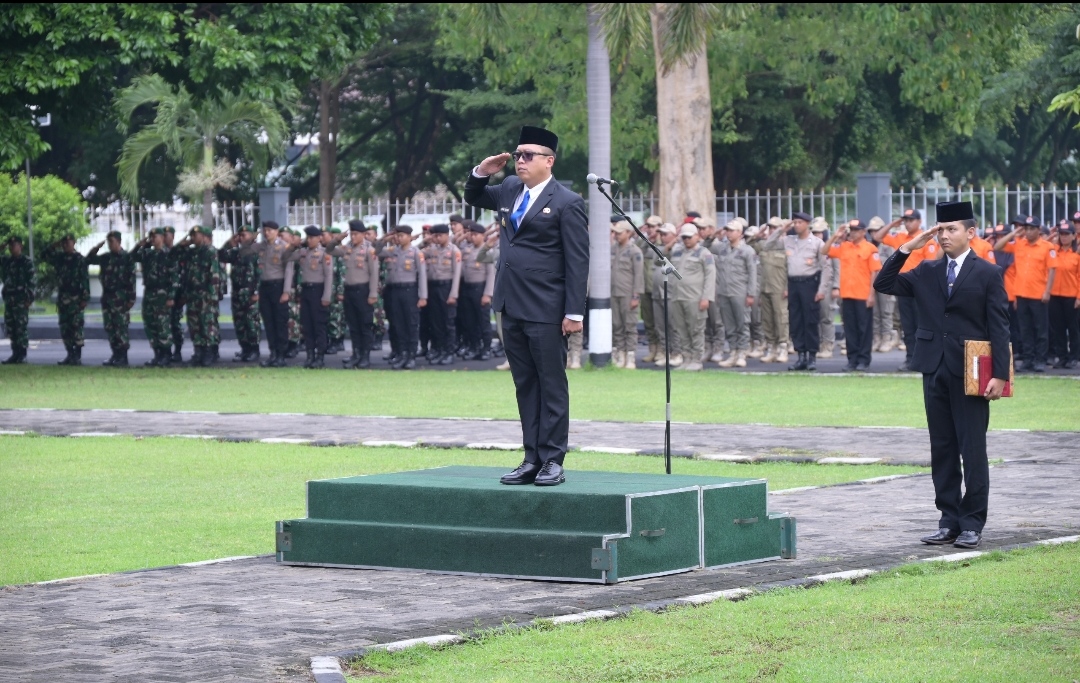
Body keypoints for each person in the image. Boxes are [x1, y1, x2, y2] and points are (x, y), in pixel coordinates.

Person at [874, 200, 1009, 549]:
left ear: (971, 232)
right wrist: (908, 247)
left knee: (972, 448)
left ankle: (972, 522)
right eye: (941, 230)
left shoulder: (987, 273)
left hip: (972, 370)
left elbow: (999, 328)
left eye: (952, 229)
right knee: (943, 448)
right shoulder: (926, 271)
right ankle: (948, 520)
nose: (945, 235)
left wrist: (1001, 375)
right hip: (934, 366)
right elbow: (883, 283)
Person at [464, 125, 588, 486]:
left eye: (528, 155)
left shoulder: (567, 202)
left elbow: (578, 260)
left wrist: (574, 312)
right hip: (511, 304)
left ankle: (553, 459)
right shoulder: (509, 189)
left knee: (551, 383)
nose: (520, 160)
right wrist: (482, 172)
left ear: (548, 161)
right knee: (525, 385)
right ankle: (531, 457)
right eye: (517, 155)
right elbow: (474, 197)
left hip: (547, 308)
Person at [872, 209, 942, 371]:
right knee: (907, 326)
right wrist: (894, 223)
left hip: (921, 289)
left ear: (919, 221)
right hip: (903, 287)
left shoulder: (927, 240)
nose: (908, 223)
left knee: (921, 326)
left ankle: (923, 359)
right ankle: (910, 358)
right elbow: (878, 237)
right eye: (906, 220)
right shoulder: (901, 238)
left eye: (911, 220)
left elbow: (931, 266)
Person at [761, 211, 826, 370]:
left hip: (810, 283)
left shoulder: (817, 243)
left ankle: (811, 356)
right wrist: (782, 229)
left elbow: (826, 268)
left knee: (810, 321)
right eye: (794, 222)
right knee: (796, 321)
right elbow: (768, 245)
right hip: (793, 284)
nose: (796, 225)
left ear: (807, 224)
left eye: (799, 223)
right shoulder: (789, 240)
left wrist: (822, 289)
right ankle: (801, 355)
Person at [993, 216, 1057, 372]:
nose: (1028, 232)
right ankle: (1028, 359)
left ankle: (1040, 360)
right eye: (1026, 228)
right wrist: (1015, 232)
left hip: (1038, 295)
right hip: (1021, 294)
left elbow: (1052, 270)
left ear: (1038, 230)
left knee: (1040, 329)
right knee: (1025, 329)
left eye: (1032, 228)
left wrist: (1047, 292)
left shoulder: (1047, 247)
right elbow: (998, 246)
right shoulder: (1019, 245)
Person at [823, 219, 882, 371]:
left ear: (863, 232)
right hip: (847, 294)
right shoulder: (844, 247)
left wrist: (871, 295)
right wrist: (836, 235)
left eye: (856, 230)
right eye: (851, 230)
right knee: (849, 329)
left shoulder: (870, 249)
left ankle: (863, 360)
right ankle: (852, 360)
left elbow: (874, 272)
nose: (853, 233)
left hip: (863, 295)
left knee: (864, 329)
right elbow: (824, 250)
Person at [328, 220, 380, 369]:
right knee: (353, 325)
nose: (353, 237)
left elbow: (374, 273)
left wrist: (372, 294)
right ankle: (356, 354)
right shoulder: (347, 248)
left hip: (363, 290)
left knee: (365, 325)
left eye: (356, 234)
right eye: (352, 234)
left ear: (363, 235)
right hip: (349, 291)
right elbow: (329, 250)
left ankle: (365, 356)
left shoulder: (369, 250)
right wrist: (337, 239)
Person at [378, 225, 428, 369]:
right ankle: (401, 354)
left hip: (409, 290)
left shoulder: (415, 253)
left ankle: (411, 355)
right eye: (397, 236)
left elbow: (422, 275)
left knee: (410, 324)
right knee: (397, 324)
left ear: (409, 237)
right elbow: (375, 251)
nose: (399, 238)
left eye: (402, 236)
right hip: (394, 291)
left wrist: (423, 296)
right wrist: (384, 239)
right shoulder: (392, 251)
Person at [284, 226, 334, 369]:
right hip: (305, 290)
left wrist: (326, 296)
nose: (309, 240)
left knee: (319, 325)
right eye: (308, 237)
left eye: (312, 237)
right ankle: (310, 355)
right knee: (307, 325)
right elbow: (286, 258)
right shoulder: (303, 252)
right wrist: (292, 246)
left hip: (318, 291)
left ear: (319, 238)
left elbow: (329, 276)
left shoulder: (325, 253)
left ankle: (320, 356)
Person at [669, 223, 716, 372]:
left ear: (697, 236)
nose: (687, 240)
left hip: (694, 297)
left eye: (689, 237)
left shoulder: (704, 253)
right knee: (681, 329)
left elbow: (710, 276)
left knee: (696, 329)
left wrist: (706, 297)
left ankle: (696, 360)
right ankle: (686, 358)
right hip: (678, 296)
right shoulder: (677, 251)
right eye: (684, 237)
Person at [711, 219, 757, 368]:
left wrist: (751, 294)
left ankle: (742, 352)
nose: (728, 233)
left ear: (740, 233)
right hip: (724, 291)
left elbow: (752, 273)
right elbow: (705, 247)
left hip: (740, 291)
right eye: (727, 230)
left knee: (742, 323)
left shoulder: (747, 251)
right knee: (729, 325)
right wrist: (714, 236)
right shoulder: (722, 248)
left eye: (731, 231)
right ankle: (733, 352)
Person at [174, 226, 223, 367]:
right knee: (194, 324)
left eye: (195, 235)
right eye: (191, 236)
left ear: (203, 236)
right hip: (192, 294)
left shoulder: (210, 251)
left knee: (207, 323)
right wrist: (181, 245)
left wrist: (212, 295)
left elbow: (214, 274)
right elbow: (173, 256)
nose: (193, 238)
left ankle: (208, 352)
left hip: (205, 294)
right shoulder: (191, 252)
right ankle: (198, 352)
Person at [86, 231, 137, 367]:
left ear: (119, 242)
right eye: (108, 242)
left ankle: (123, 357)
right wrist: (97, 247)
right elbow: (89, 259)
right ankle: (115, 355)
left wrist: (131, 298)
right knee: (110, 327)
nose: (109, 245)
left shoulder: (127, 258)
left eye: (112, 242)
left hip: (121, 297)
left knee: (121, 327)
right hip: (107, 297)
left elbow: (131, 280)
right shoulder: (106, 257)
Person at [131, 228, 178, 367]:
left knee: (162, 325)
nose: (152, 239)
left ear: (162, 238)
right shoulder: (148, 254)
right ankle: (157, 354)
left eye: (155, 236)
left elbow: (174, 277)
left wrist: (171, 296)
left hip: (162, 293)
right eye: (150, 237)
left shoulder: (169, 255)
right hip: (150, 293)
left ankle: (166, 354)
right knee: (150, 324)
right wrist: (141, 245)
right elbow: (132, 256)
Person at [42, 234, 90, 366]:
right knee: (65, 327)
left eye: (68, 242)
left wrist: (85, 298)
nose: (66, 245)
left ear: (74, 243)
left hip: (76, 298)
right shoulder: (60, 258)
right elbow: (44, 255)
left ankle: (77, 356)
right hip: (63, 298)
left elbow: (84, 279)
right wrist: (53, 246)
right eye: (64, 243)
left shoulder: (79, 259)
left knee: (76, 326)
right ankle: (70, 354)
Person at [749, 217, 790, 364]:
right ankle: (771, 346)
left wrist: (787, 288)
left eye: (775, 228)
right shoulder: (765, 245)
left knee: (781, 318)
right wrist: (757, 235)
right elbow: (749, 245)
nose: (772, 230)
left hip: (779, 288)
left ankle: (783, 346)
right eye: (770, 227)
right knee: (767, 319)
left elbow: (790, 269)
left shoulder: (787, 245)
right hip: (765, 287)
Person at [219, 225, 262, 363]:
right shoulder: (237, 252)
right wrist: (230, 243)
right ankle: (245, 349)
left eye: (244, 235)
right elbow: (221, 255)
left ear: (252, 235)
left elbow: (260, 274)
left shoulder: (258, 252)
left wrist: (256, 292)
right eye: (240, 235)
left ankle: (254, 350)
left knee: (251, 322)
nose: (242, 237)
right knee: (239, 322)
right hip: (237, 293)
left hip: (250, 292)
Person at [421, 223, 462, 365]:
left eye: (439, 235)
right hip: (433, 288)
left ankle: (449, 352)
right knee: (435, 322)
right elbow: (416, 252)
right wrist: (426, 240)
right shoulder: (431, 249)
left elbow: (457, 274)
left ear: (447, 235)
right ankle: (439, 350)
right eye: (435, 235)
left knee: (448, 323)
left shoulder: (454, 251)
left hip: (447, 287)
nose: (437, 238)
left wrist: (453, 294)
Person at [458, 221, 496, 361]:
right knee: (470, 321)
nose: (472, 237)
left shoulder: (487, 252)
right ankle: (474, 347)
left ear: (482, 236)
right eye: (471, 234)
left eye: (475, 235)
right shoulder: (468, 251)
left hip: (480, 289)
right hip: (467, 288)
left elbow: (490, 274)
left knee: (483, 321)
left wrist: (487, 294)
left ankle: (486, 348)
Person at [610, 220, 645, 369]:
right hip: (614, 293)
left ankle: (630, 356)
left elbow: (638, 275)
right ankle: (620, 354)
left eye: (620, 232)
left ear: (629, 233)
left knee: (629, 326)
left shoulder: (634, 251)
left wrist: (636, 295)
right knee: (616, 325)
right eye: (615, 232)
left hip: (628, 293)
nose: (616, 235)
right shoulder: (613, 249)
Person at [1048, 223, 1079, 369]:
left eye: (1067, 234)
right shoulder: (1054, 251)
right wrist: (1051, 235)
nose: (1064, 237)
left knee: (1073, 328)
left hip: (1071, 296)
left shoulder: (1077, 255)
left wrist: (1079, 296)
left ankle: (1074, 357)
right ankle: (1062, 356)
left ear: (1074, 236)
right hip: (1055, 295)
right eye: (1062, 234)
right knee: (1058, 328)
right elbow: (1043, 245)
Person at [651, 223, 682, 367]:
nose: (662, 237)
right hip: (658, 293)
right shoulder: (660, 248)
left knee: (673, 325)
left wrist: (670, 248)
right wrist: (666, 248)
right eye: (661, 234)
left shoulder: (679, 249)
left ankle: (676, 352)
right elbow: (656, 261)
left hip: (670, 293)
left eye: (665, 234)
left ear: (673, 235)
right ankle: (666, 352)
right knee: (660, 325)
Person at [0, 236, 34, 364]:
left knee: (20, 327)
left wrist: (29, 298)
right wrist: (1, 247)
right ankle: (15, 353)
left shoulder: (26, 262)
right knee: (11, 327)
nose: (11, 247)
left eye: (14, 245)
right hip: (10, 298)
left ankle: (22, 354)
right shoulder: (7, 261)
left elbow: (31, 281)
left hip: (21, 299)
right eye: (10, 245)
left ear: (20, 246)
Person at [809, 218, 838, 360]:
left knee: (826, 316)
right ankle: (819, 342)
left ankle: (828, 344)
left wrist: (836, 287)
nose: (816, 235)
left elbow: (837, 269)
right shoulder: (810, 248)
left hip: (827, 285)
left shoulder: (831, 247)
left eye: (819, 233)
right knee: (815, 316)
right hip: (813, 284)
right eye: (814, 232)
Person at [868, 217, 898, 353]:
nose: (874, 233)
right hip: (871, 283)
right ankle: (877, 338)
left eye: (877, 230)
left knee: (886, 312)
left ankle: (886, 338)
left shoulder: (887, 246)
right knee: (875, 313)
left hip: (885, 283)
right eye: (872, 231)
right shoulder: (868, 246)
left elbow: (893, 264)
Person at [639, 215, 664, 362]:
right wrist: (644, 238)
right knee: (648, 322)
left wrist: (658, 239)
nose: (652, 230)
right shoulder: (643, 243)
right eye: (649, 227)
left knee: (660, 322)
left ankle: (662, 349)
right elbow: (637, 251)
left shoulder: (664, 244)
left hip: (659, 289)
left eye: (655, 227)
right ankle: (652, 349)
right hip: (645, 288)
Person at [162, 226, 187, 362]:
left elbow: (184, 275)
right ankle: (166, 351)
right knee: (164, 324)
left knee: (175, 323)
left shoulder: (180, 253)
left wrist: (183, 294)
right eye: (163, 235)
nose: (165, 238)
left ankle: (177, 350)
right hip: (163, 293)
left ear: (173, 236)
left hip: (177, 294)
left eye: (167, 235)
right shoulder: (161, 253)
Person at [323, 227, 347, 355]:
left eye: (325, 235)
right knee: (329, 316)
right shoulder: (325, 250)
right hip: (327, 290)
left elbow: (342, 273)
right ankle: (331, 340)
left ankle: (337, 341)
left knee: (336, 316)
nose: (322, 237)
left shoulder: (339, 252)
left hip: (335, 289)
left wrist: (340, 291)